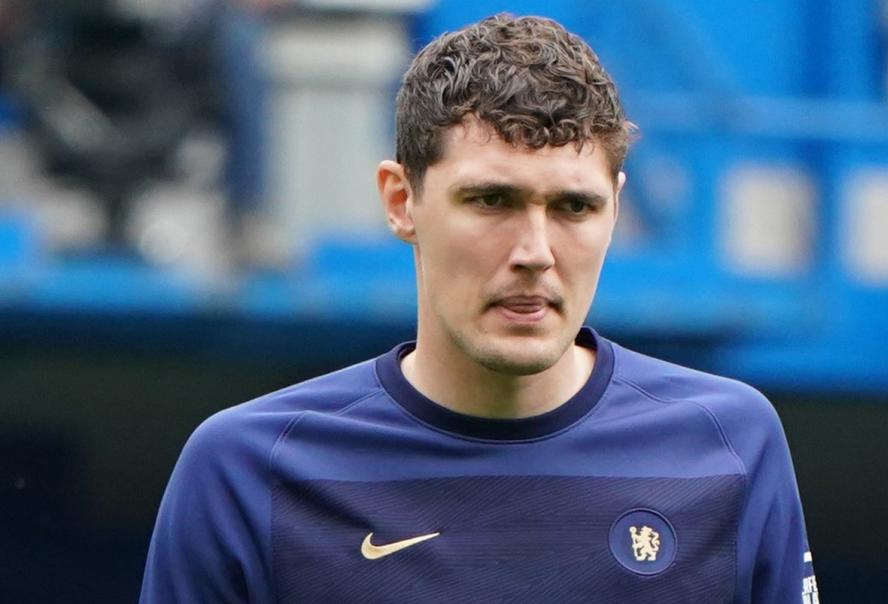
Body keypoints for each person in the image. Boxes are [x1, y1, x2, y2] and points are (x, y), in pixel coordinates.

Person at [140, 14, 818, 603]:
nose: (534, 251)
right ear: (402, 200)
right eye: (492, 200)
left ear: (615, 206)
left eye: (574, 207)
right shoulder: (248, 471)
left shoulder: (728, 448)